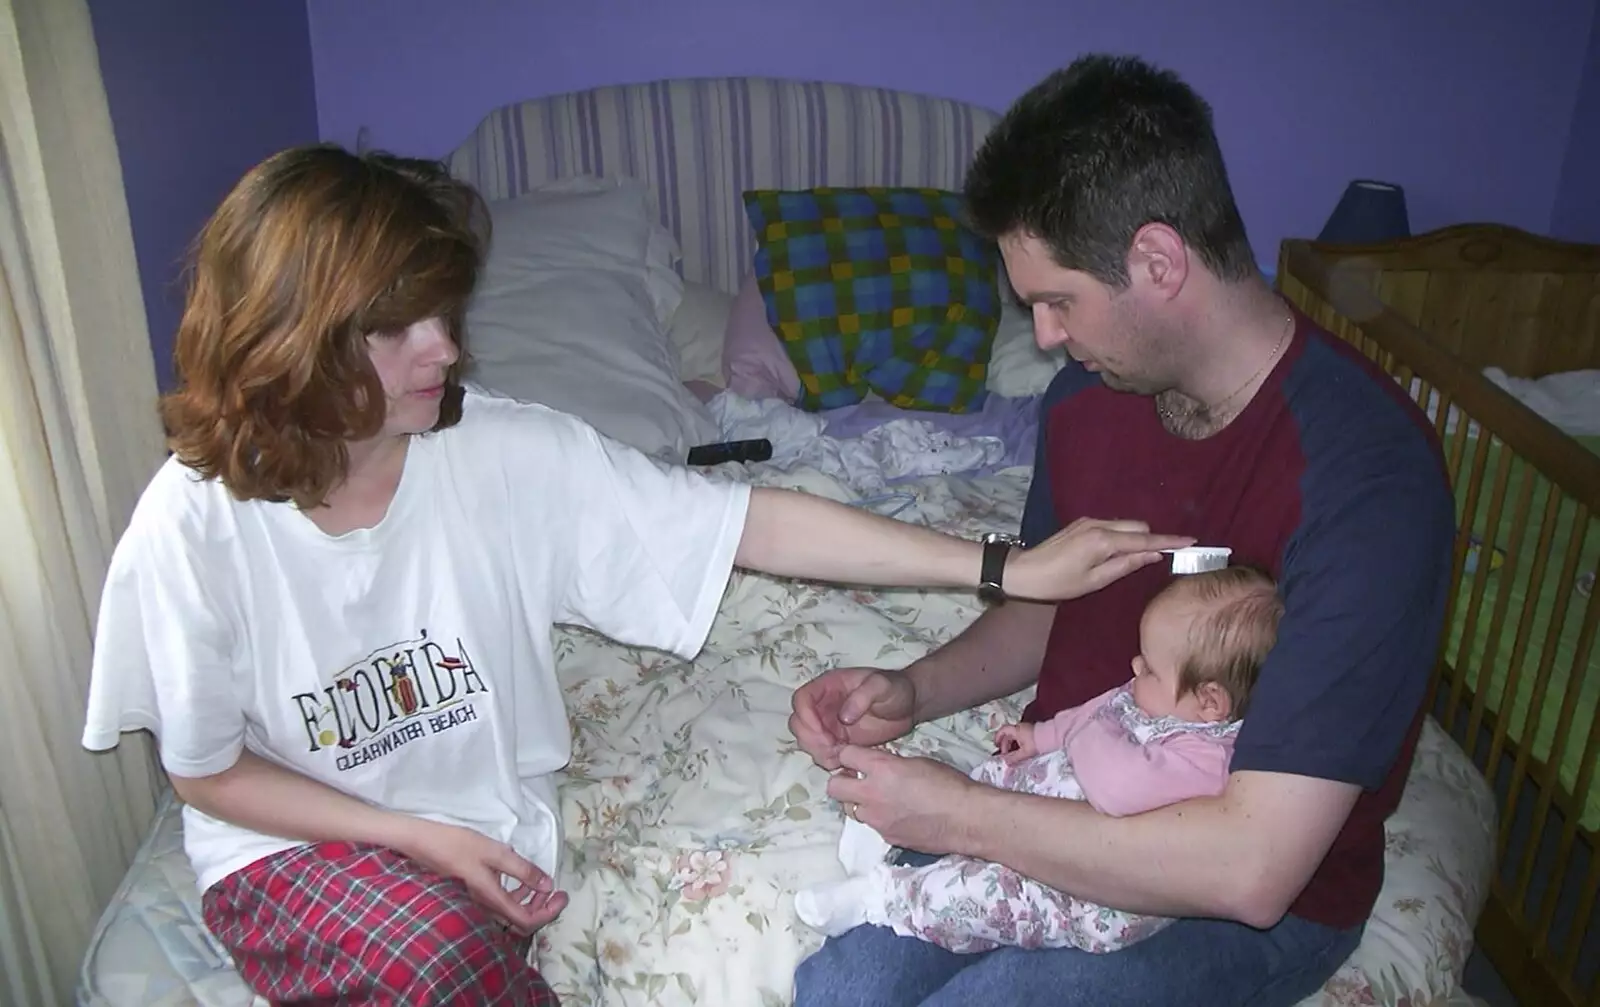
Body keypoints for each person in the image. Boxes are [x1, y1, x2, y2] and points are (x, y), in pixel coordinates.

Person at [78, 145, 1187, 1007]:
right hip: (294, 850)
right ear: (294, 335)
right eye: (397, 327)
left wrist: (1007, 562)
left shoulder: (498, 451)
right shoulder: (194, 525)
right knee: (436, 953)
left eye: (447, 314)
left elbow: (750, 520)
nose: (447, 350)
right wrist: (419, 837)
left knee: (449, 947)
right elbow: (207, 772)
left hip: (477, 842)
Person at [788, 53, 1457, 1007]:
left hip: (1228, 882)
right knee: (847, 981)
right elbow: (1044, 610)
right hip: (1055, 801)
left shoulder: (1368, 482)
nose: (1047, 337)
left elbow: (1252, 869)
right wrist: (913, 687)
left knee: (1002, 998)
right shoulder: (1084, 402)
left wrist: (966, 814)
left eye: (1058, 300)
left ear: (1157, 261)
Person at [792, 566, 1282, 955]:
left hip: (1084, 888)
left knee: (983, 897)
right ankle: (882, 831)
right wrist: (1041, 736)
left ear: (1211, 703)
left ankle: (880, 901)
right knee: (990, 773)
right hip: (1054, 804)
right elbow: (1098, 709)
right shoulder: (1162, 697)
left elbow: (1115, 784)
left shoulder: (1208, 759)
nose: (1135, 669)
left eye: (1150, 667)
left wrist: (1086, 733)